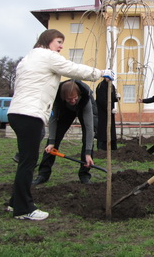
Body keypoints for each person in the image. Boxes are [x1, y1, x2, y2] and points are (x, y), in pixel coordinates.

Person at [6, 28, 114, 221]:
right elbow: (73, 69)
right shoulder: (46, 56)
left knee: (25, 160)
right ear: (47, 41)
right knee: (28, 163)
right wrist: (101, 73)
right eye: (59, 42)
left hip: (16, 112)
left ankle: (15, 201)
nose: (61, 46)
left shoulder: (27, 59)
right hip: (30, 113)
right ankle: (24, 209)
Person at [32, 80, 97, 185]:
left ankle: (84, 175)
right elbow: (53, 120)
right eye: (69, 99)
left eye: (75, 98)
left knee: (87, 140)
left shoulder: (85, 98)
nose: (73, 101)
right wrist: (52, 142)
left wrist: (88, 153)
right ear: (63, 97)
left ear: (79, 94)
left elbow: (89, 128)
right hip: (66, 110)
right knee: (53, 141)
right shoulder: (57, 97)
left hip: (83, 107)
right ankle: (43, 174)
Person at [95, 78, 119, 151]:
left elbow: (112, 98)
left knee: (111, 128)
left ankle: (112, 146)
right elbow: (102, 100)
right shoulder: (101, 86)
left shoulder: (112, 86)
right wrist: (109, 108)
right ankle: (102, 147)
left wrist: (117, 98)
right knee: (103, 129)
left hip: (110, 113)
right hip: (103, 112)